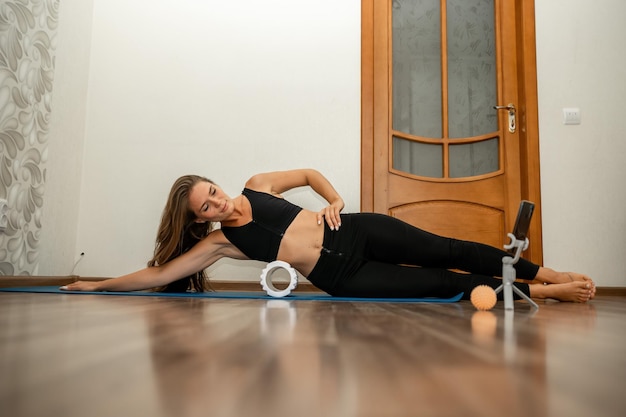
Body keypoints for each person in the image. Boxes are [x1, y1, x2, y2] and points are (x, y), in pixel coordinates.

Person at [61, 169, 595, 302]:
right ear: (201, 219)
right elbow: (159, 274)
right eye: (208, 205)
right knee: (439, 283)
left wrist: (334, 202)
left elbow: (313, 175)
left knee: (448, 248)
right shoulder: (221, 242)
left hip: (360, 233)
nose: (219, 202)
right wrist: (95, 286)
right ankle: (543, 294)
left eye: (214, 191)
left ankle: (542, 272)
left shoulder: (258, 184)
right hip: (344, 274)